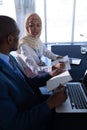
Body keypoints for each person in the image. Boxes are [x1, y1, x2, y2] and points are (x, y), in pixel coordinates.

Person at [0, 15, 67, 130]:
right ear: (10, 39)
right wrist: (50, 104)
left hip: (34, 102)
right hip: (32, 118)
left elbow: (27, 82)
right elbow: (13, 124)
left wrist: (49, 75)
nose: (20, 38)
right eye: (17, 34)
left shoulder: (9, 57)